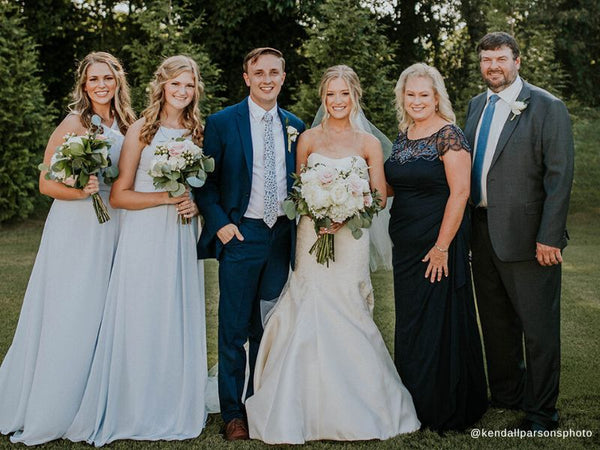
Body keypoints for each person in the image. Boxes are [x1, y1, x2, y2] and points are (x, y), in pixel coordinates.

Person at [245, 65, 421, 444]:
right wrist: (318, 208)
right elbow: (297, 190)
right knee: (309, 304)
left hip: (350, 238)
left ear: (355, 96)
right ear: (322, 99)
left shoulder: (368, 143)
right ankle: (301, 402)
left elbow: (378, 196)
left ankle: (361, 403)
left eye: (344, 94)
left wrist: (345, 212)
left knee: (348, 306)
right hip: (312, 236)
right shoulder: (307, 139)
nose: (338, 101)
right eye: (331, 95)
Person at [64, 55, 207, 446]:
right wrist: (167, 196)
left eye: (189, 85)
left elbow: (199, 189)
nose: (182, 91)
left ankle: (170, 400)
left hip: (179, 236)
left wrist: (192, 202)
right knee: (140, 313)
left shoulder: (197, 133)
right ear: (161, 86)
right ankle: (133, 404)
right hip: (143, 235)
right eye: (176, 84)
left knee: (172, 312)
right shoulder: (141, 131)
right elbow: (122, 196)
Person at [0, 51, 135, 445]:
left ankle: (96, 396)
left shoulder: (126, 123)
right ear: (84, 84)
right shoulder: (75, 122)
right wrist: (79, 190)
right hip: (78, 226)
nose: (101, 85)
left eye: (107, 78)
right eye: (93, 79)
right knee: (72, 307)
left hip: (115, 224)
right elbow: (46, 183)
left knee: (104, 312)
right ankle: (52, 403)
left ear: (117, 81)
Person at [464, 32, 574, 431]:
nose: (493, 66)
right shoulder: (477, 105)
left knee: (538, 328)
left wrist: (550, 236)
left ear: (517, 61)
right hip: (480, 231)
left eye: (501, 59)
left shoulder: (547, 107)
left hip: (530, 238)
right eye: (486, 60)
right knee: (495, 323)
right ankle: (507, 394)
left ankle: (543, 412)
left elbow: (559, 178)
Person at [195, 47, 305, 441]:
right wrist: (222, 225)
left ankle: (259, 402)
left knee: (269, 327)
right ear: (246, 77)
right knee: (234, 329)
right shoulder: (223, 122)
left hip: (280, 239)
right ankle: (232, 413)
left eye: (274, 72)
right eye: (259, 72)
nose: (267, 79)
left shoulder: (296, 124)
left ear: (284, 76)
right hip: (242, 235)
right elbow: (205, 183)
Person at [384, 63, 488, 432]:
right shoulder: (404, 134)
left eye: (423, 95)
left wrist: (442, 246)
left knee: (437, 319)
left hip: (438, 242)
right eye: (410, 95)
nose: (416, 101)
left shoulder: (449, 135)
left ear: (436, 97)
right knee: (411, 320)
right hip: (406, 245)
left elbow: (460, 193)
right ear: (403, 97)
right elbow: (397, 183)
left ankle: (442, 404)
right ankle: (411, 398)